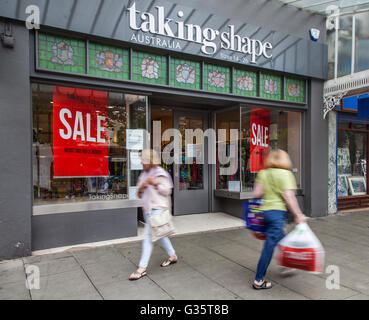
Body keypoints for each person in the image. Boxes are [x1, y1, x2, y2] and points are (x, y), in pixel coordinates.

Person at [252, 149, 307, 290]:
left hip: (264, 213)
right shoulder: (286, 174)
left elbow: (257, 193)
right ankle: (258, 280)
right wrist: (298, 215)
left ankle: (287, 265)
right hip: (276, 214)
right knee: (269, 247)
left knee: (282, 239)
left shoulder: (263, 173)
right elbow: (289, 197)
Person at [129, 149, 178, 281]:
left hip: (157, 210)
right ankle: (172, 256)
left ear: (150, 160)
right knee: (159, 235)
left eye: (144, 159)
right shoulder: (143, 174)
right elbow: (138, 194)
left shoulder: (161, 173)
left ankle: (141, 268)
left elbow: (166, 191)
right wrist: (143, 186)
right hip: (147, 211)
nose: (141, 162)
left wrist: (154, 183)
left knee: (148, 237)